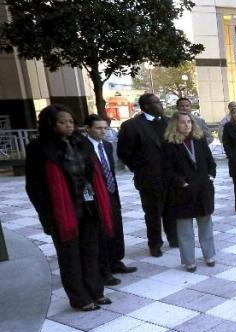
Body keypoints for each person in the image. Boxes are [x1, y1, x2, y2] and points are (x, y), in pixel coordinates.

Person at [26, 105, 113, 312]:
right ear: (50, 124)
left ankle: (95, 290)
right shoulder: (39, 148)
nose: (68, 126)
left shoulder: (81, 142)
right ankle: (79, 297)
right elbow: (34, 187)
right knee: (70, 256)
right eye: (62, 122)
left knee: (91, 251)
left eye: (71, 122)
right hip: (61, 211)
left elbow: (93, 172)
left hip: (88, 205)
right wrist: (46, 215)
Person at [118, 93, 178, 256]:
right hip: (149, 178)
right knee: (153, 213)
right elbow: (124, 152)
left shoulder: (169, 122)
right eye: (156, 102)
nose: (161, 105)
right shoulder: (131, 126)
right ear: (145, 107)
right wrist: (140, 168)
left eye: (160, 101)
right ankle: (155, 244)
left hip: (171, 177)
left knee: (171, 210)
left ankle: (174, 238)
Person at [84, 114, 136, 284]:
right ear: (88, 129)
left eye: (105, 128)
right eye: (98, 128)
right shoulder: (82, 147)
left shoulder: (106, 145)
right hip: (95, 196)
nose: (103, 132)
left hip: (111, 192)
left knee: (116, 228)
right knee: (102, 232)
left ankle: (116, 262)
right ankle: (103, 270)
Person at [162, 113, 217, 272]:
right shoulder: (169, 144)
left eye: (189, 122)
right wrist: (181, 182)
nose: (186, 125)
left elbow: (210, 161)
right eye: (182, 122)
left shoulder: (199, 141)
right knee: (185, 229)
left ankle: (209, 255)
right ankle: (189, 260)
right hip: (182, 191)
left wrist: (211, 175)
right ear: (175, 125)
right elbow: (166, 169)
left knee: (205, 225)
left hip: (202, 189)